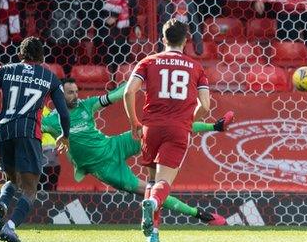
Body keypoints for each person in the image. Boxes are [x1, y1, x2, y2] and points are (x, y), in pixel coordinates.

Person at [41, 78, 232, 229]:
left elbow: (115, 96)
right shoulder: (51, 121)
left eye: (76, 91)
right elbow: (31, 129)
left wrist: (137, 79)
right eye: (70, 93)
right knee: (148, 193)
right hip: (104, 168)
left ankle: (215, 126)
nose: (75, 96)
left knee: (155, 127)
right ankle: (201, 215)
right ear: (58, 95)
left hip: (113, 145)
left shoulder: (86, 105)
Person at [124, 18, 218, 242]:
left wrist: (134, 122)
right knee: (163, 183)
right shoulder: (196, 67)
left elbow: (128, 92)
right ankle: (154, 204)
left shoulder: (148, 61)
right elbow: (205, 106)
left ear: (163, 39)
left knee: (151, 180)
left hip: (151, 127)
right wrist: (187, 120)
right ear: (186, 40)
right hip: (177, 129)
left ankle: (153, 235)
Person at [0, 37, 70, 242]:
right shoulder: (50, 77)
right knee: (30, 188)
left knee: (11, 180)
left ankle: (2, 207)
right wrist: (65, 135)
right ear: (42, 56)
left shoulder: (6, 70)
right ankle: (10, 226)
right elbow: (64, 113)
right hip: (28, 132)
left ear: (20, 55)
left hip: (4, 130)